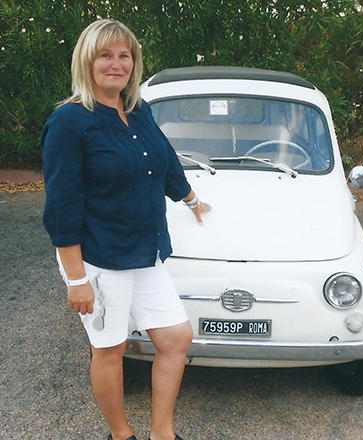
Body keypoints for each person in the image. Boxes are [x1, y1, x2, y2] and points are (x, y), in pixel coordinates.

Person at [42, 19, 211, 440]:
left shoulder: (138, 109)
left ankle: (162, 433)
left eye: (124, 55)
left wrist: (191, 199)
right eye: (106, 55)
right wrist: (76, 279)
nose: (116, 64)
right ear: (87, 61)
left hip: (145, 250)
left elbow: (163, 159)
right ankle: (121, 435)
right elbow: (62, 207)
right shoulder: (69, 122)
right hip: (99, 257)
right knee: (110, 349)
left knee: (176, 338)